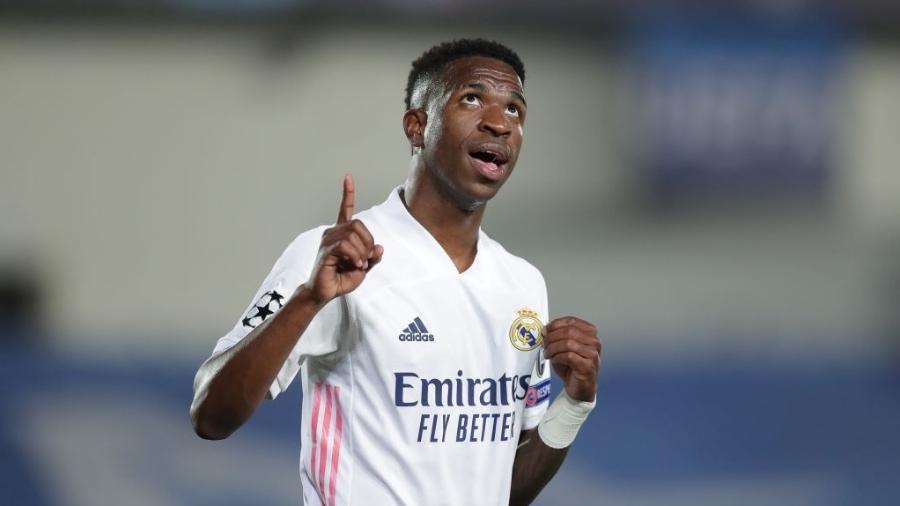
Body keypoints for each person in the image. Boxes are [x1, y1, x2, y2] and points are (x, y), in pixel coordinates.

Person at [190, 38, 601, 506]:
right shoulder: (337, 256)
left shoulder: (522, 284)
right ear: (416, 126)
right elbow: (211, 416)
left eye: (515, 110)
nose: (499, 123)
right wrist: (308, 299)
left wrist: (574, 404)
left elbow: (502, 491)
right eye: (472, 98)